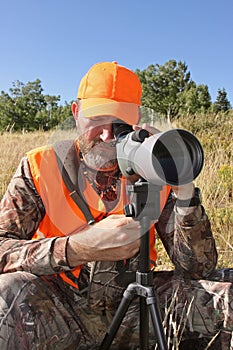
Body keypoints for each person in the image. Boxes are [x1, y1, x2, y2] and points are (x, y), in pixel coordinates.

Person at [0, 61, 232, 350]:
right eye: (97, 118)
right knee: (5, 294)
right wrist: (76, 248)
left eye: (119, 123)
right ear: (75, 113)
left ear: (136, 121)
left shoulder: (151, 167)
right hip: (58, 306)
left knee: (227, 294)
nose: (108, 135)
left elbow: (198, 268)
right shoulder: (39, 166)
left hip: (138, 305)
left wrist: (182, 184)